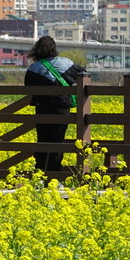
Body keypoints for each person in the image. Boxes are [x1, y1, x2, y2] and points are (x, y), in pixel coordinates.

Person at [25, 36, 84, 173]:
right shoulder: (66, 63)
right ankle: (54, 174)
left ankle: (40, 173)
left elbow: (28, 86)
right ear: (54, 49)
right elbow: (83, 75)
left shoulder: (34, 68)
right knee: (57, 142)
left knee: (43, 141)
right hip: (62, 109)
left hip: (43, 108)